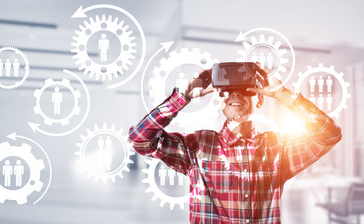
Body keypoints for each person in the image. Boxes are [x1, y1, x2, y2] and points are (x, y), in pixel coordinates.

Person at [128, 63, 342, 223]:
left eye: (245, 90)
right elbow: (140, 139)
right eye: (227, 91)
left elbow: (329, 134)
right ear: (220, 100)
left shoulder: (278, 149)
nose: (235, 95)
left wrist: (286, 96)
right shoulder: (197, 146)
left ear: (258, 99)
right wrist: (182, 97)